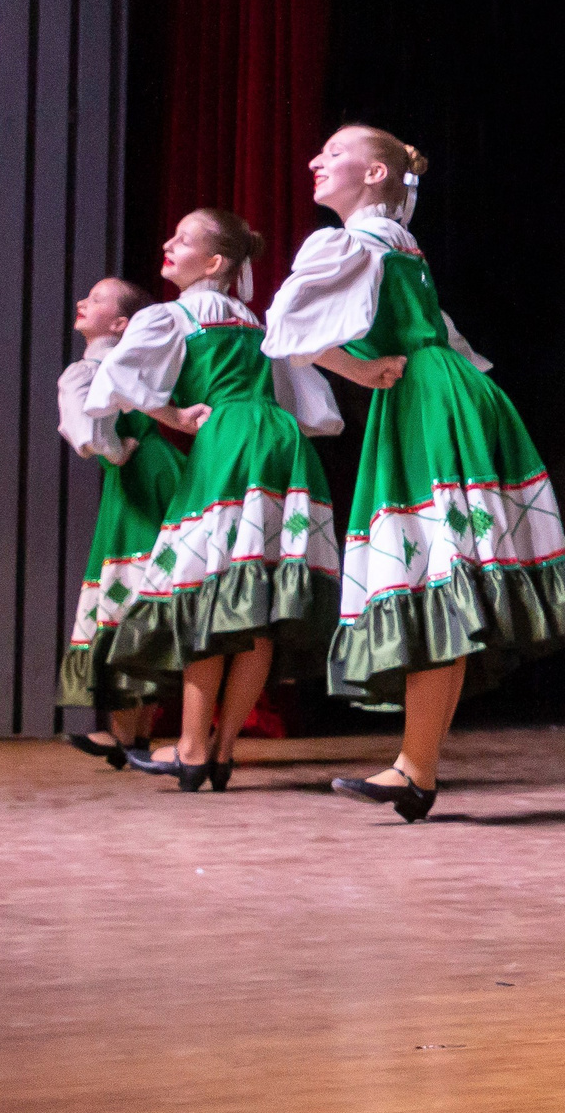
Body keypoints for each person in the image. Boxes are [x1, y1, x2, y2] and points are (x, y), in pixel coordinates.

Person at [264, 127, 565, 821]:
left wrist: (356, 370)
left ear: (375, 173)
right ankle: (415, 767)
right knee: (435, 578)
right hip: (443, 394)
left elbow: (286, 324)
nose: (316, 160)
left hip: (426, 403)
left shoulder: (360, 240)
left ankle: (415, 767)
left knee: (431, 575)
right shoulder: (397, 243)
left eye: (335, 152)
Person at [96, 209, 341, 791]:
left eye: (182, 240)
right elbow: (312, 407)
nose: (168, 243)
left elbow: (114, 381)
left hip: (228, 444)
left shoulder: (172, 317)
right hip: (278, 443)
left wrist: (174, 415)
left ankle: (190, 747)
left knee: (208, 596)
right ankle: (223, 749)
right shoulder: (259, 324)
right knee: (257, 605)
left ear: (213, 263)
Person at [56, 277, 184, 765]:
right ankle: (133, 735)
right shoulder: (133, 362)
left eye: (96, 299)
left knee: (127, 589)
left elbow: (88, 431)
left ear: (121, 324)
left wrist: (114, 449)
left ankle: (128, 736)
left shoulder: (95, 367)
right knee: (141, 588)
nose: (81, 302)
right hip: (155, 471)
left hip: (138, 475)